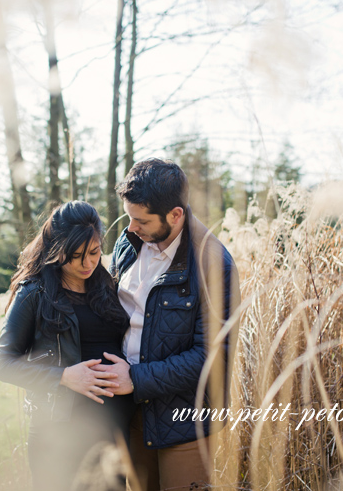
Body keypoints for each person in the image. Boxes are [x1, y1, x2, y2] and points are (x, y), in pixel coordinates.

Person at [96, 158, 241, 491]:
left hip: (183, 421)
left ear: (176, 215)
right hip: (129, 411)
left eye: (140, 220)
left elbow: (212, 358)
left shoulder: (213, 265)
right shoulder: (129, 242)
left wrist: (135, 377)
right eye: (129, 216)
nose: (130, 227)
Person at [0, 201, 137, 491]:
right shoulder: (34, 293)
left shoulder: (107, 285)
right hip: (58, 431)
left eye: (94, 253)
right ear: (56, 250)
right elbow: (3, 364)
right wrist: (63, 377)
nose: (87, 264)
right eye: (75, 256)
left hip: (113, 427)